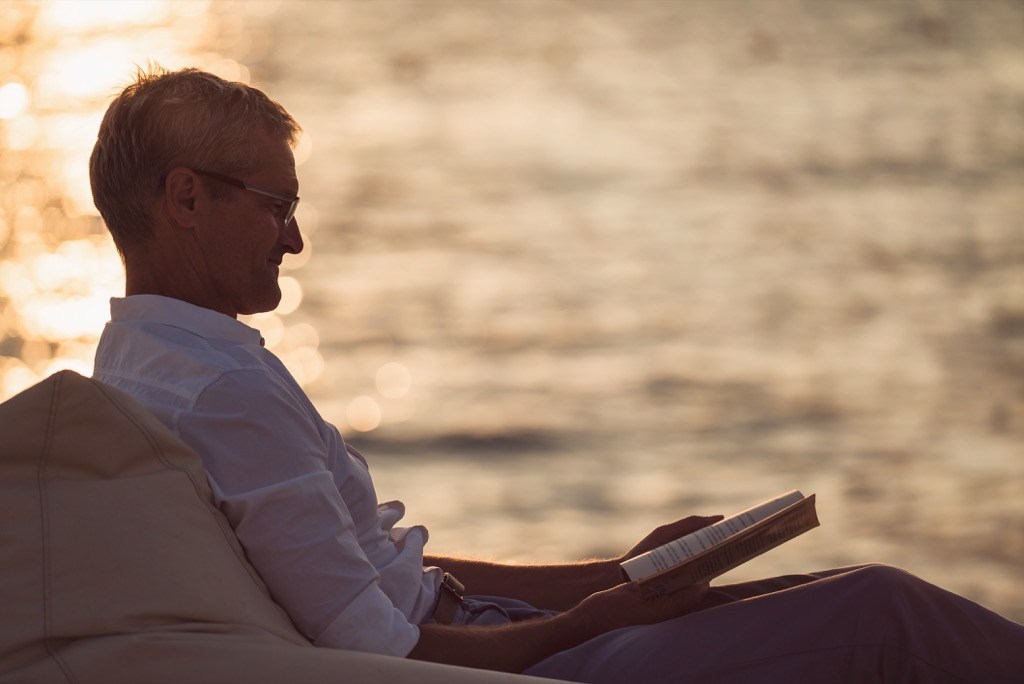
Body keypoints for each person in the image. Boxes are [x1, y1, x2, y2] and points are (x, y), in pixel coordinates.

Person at [89, 67, 1023, 683]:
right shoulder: (225, 394)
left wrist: (615, 575)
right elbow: (399, 648)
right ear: (184, 197)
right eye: (276, 205)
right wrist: (602, 616)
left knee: (857, 590)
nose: (293, 235)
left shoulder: (145, 362)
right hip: (505, 666)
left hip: (490, 628)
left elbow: (379, 580)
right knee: (890, 613)